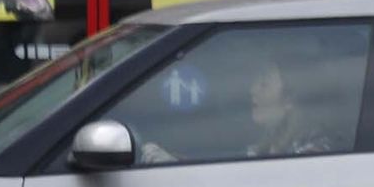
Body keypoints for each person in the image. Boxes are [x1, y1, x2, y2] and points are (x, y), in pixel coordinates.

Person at [141, 52, 343, 165]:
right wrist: (173, 162)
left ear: (291, 99)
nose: (252, 90)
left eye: (264, 83)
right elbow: (224, 168)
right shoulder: (270, 145)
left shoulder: (316, 151)